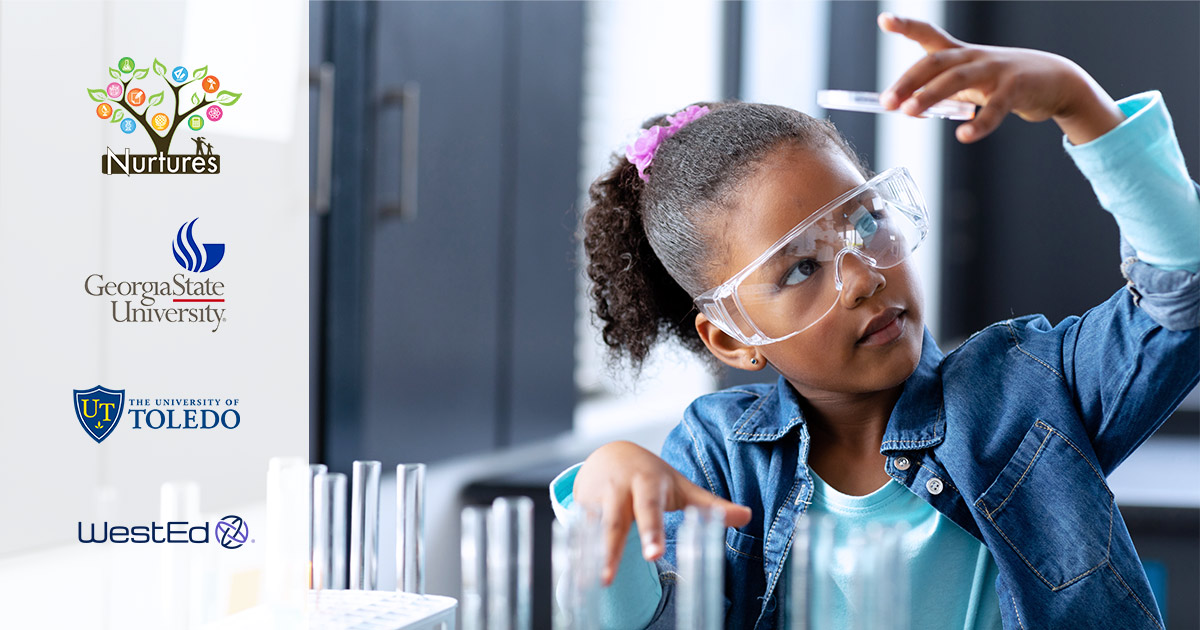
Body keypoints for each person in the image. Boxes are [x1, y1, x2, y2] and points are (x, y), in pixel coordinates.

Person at [551, 12, 1199, 630]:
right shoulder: (719, 456)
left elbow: (1181, 293)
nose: (864, 277)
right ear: (732, 336)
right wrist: (600, 511)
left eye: (866, 223)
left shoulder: (1030, 390)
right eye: (802, 269)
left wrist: (1077, 102)